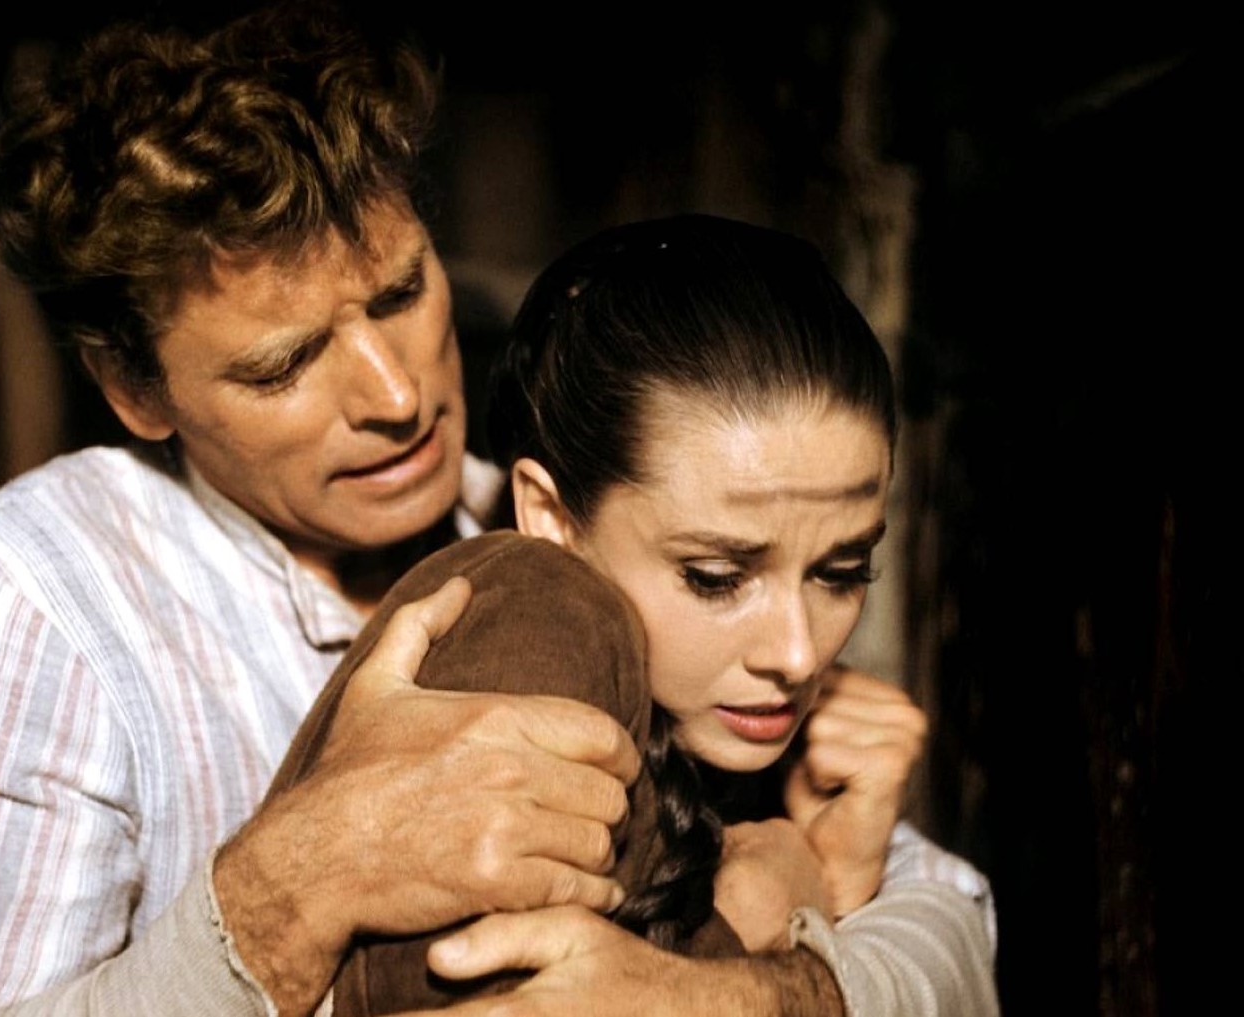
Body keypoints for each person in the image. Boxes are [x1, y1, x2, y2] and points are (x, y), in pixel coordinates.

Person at [0, 3, 996, 1015]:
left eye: (401, 293)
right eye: (285, 364)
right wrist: (293, 886)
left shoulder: (562, 532)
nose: (396, 398)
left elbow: (956, 934)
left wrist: (755, 989)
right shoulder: (34, 605)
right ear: (135, 390)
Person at [268, 213, 997, 1015]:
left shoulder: (726, 724)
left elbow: (959, 937)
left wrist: (841, 879)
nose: (797, 654)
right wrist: (758, 920)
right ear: (551, 518)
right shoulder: (527, 620)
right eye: (716, 577)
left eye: (841, 570)